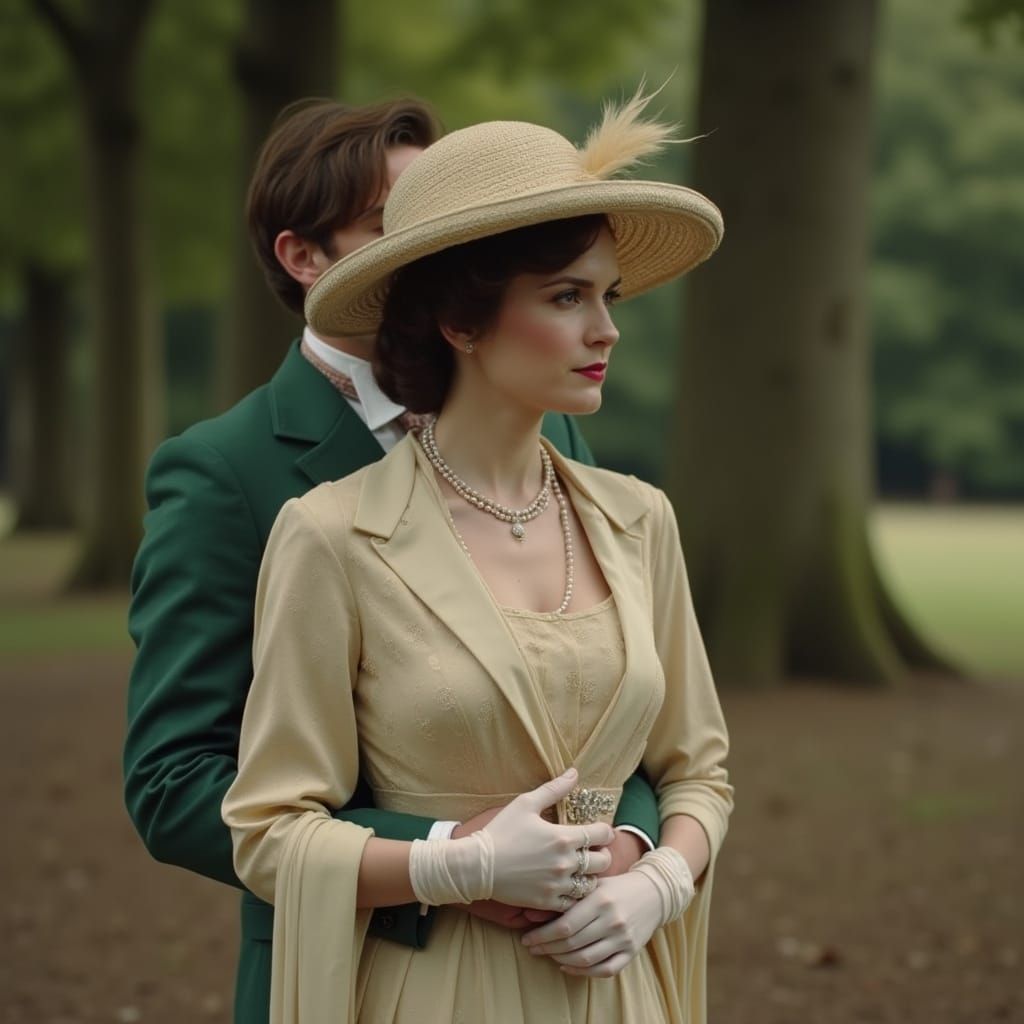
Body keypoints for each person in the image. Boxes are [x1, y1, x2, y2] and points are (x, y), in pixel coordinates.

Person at [123, 97, 662, 1024]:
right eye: (393, 226)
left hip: (576, 965)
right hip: (362, 966)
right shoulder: (225, 472)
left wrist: (628, 849)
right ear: (305, 257)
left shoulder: (561, 424)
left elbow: (617, 707)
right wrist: (450, 859)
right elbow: (176, 783)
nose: (437, 245)